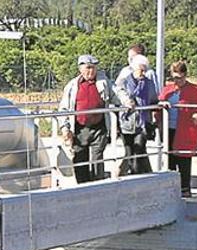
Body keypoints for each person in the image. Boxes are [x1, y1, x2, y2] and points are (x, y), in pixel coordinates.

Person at [58, 54, 119, 184]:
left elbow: (117, 94)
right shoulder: (73, 85)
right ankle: (82, 187)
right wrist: (65, 128)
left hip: (99, 127)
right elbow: (63, 109)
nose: (91, 71)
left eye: (93, 68)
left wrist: (128, 103)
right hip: (80, 129)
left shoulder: (103, 82)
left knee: (97, 160)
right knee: (80, 160)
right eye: (88, 68)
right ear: (80, 69)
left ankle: (98, 187)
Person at [157, 61, 197, 197]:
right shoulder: (167, 89)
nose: (178, 81)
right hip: (168, 129)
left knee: (184, 160)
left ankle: (185, 190)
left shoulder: (195, 90)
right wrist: (161, 105)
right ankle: (169, 190)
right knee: (170, 160)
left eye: (180, 77)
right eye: (175, 77)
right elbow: (158, 104)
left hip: (186, 131)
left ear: (185, 75)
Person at [115, 54, 158, 175]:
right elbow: (118, 94)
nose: (142, 73)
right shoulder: (123, 82)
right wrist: (126, 101)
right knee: (129, 153)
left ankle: (136, 177)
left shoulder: (149, 83)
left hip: (142, 123)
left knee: (139, 151)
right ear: (134, 68)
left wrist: (159, 104)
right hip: (127, 123)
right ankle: (133, 176)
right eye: (140, 70)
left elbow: (153, 99)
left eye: (145, 70)